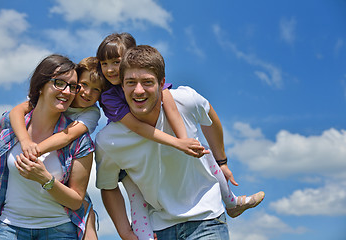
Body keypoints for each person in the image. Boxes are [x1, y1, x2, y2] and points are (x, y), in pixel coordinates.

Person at [97, 34, 265, 240]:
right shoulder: (109, 137)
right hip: (158, 226)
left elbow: (209, 117)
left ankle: (232, 202)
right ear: (122, 85)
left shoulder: (184, 99)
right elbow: (108, 186)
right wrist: (125, 232)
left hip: (206, 218)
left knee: (206, 152)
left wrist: (222, 161)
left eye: (147, 82)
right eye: (131, 82)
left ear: (162, 83)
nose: (139, 90)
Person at [0, 54, 94, 240]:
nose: (67, 92)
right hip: (10, 228)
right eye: (59, 83)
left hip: (59, 230)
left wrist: (45, 179)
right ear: (41, 86)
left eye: (73, 87)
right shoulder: (10, 124)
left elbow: (76, 201)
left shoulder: (79, 139)